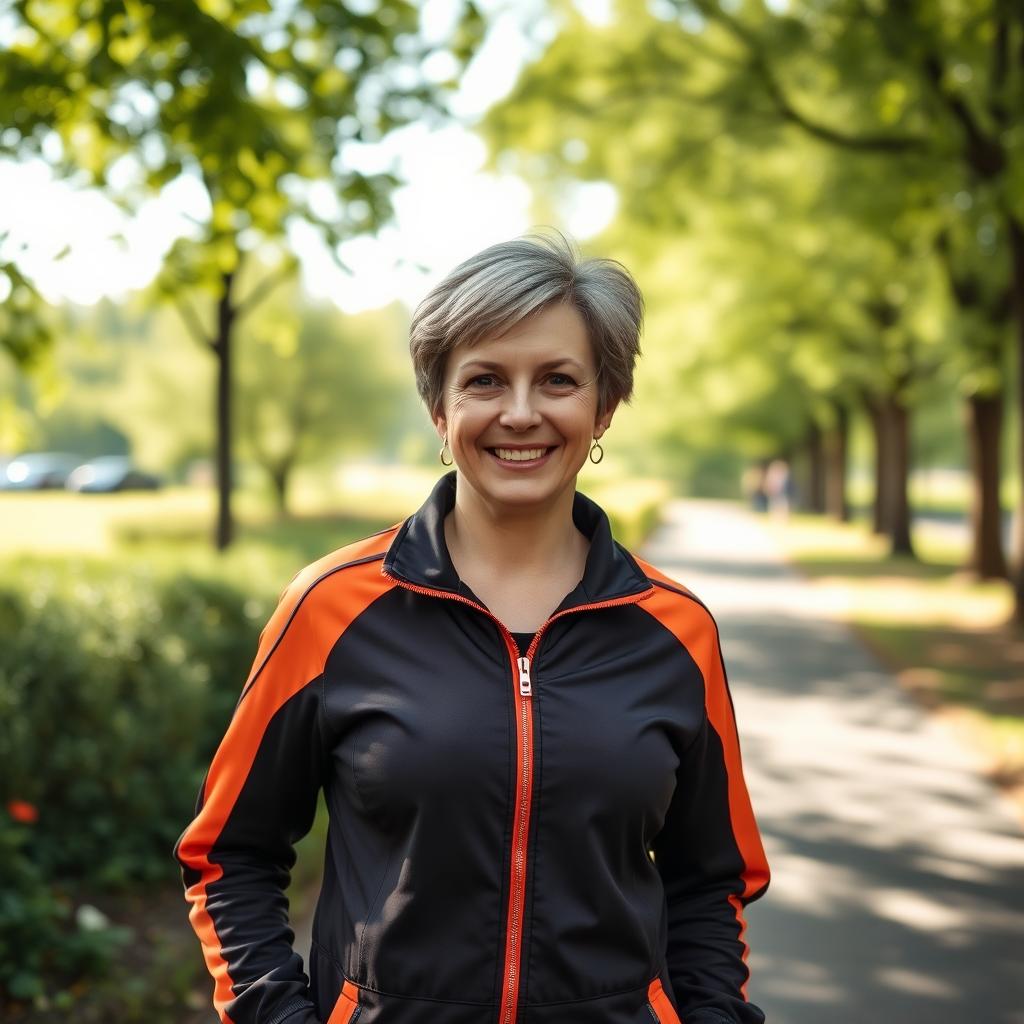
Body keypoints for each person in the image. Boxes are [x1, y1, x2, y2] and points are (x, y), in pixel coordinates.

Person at [174, 232, 770, 1024]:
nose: (520, 413)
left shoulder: (674, 630)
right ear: (439, 407)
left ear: (605, 406)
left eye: (557, 380)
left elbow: (711, 883)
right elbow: (230, 856)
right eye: (485, 379)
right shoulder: (331, 608)